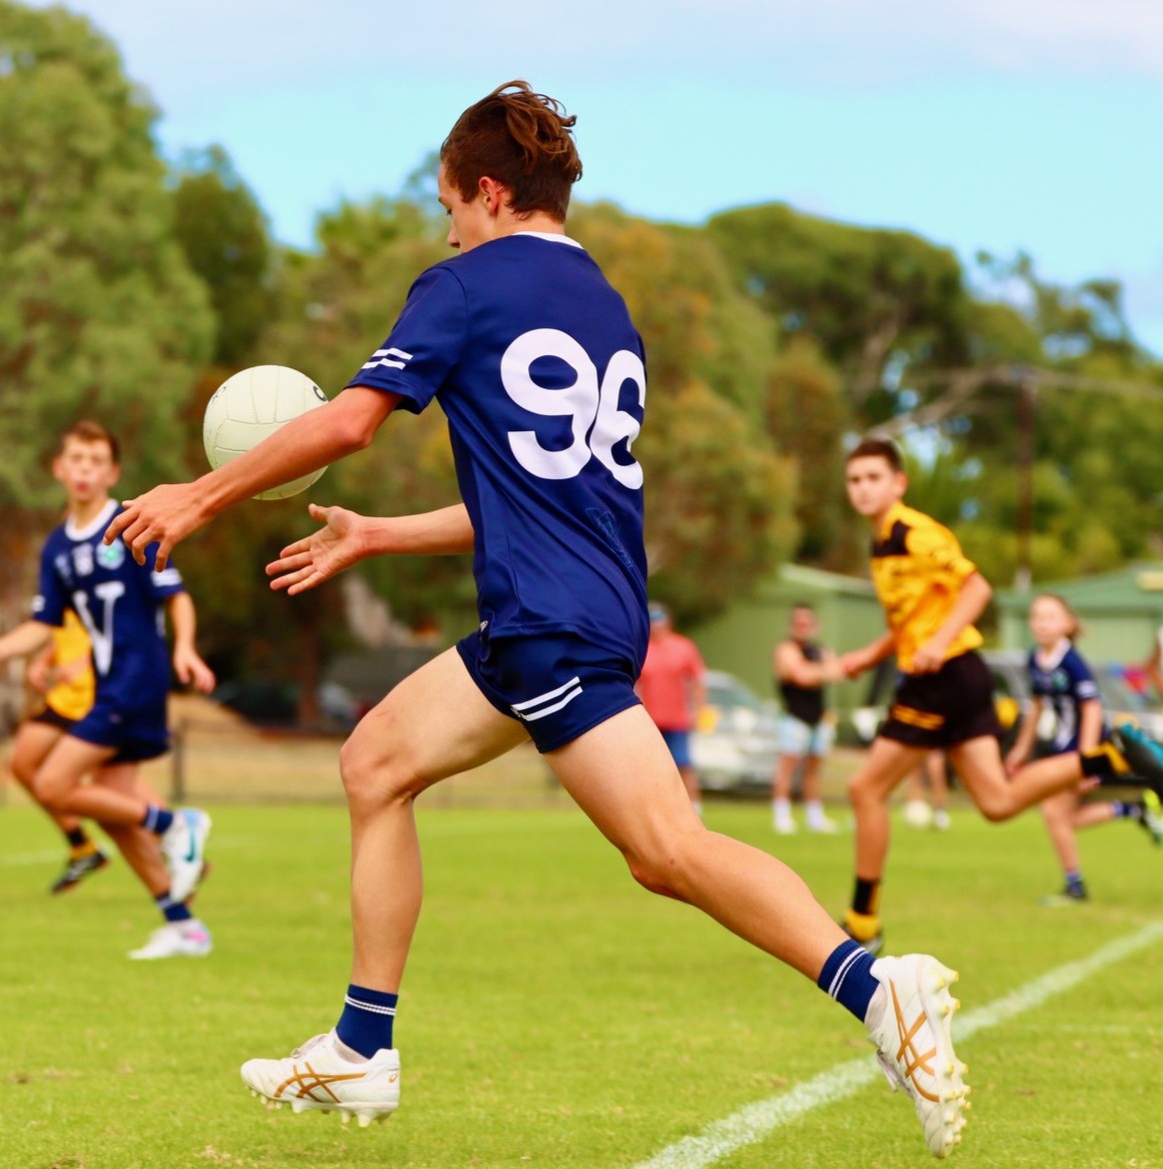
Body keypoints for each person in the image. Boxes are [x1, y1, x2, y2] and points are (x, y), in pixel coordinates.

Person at [103, 83, 970, 1155]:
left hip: (546, 622)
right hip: (573, 608)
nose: (446, 228)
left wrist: (198, 495)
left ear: (484, 190)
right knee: (374, 762)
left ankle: (875, 988)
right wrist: (375, 535)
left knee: (664, 848)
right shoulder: (608, 309)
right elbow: (524, 498)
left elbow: (348, 420)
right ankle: (359, 1046)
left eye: (447, 206)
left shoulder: (462, 285)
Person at [833, 438, 1163, 954]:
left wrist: (938, 646)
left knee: (864, 790)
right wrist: (869, 657)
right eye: (854, 480)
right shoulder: (879, 544)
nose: (862, 488)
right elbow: (910, 622)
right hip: (953, 676)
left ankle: (863, 922)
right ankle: (1111, 755)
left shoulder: (916, 533)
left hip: (944, 677)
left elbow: (978, 590)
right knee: (997, 802)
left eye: (873, 477)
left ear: (899, 483)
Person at [0, 421, 216, 960]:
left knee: (54, 784)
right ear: (60, 468)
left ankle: (178, 824)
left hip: (136, 679)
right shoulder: (57, 547)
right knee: (112, 808)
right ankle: (183, 926)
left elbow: (176, 594)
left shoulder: (131, 523)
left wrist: (185, 649)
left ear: (113, 472)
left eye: (95, 461)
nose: (84, 469)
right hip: (111, 684)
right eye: (75, 459)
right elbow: (46, 624)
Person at [12, 601, 191, 895]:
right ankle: (86, 845)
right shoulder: (60, 561)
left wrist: (81, 662)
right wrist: (46, 660)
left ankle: (175, 836)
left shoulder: (101, 562)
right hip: (66, 694)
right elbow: (63, 625)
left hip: (94, 690)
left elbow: (113, 624)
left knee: (106, 784)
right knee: (28, 766)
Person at [1005, 594, 1162, 904]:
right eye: (1037, 617)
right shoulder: (1034, 660)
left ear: (1068, 623)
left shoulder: (1072, 661)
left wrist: (1087, 759)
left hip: (1083, 748)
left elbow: (1092, 708)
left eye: (1051, 617)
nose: (1043, 623)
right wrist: (1021, 748)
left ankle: (1075, 886)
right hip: (1062, 748)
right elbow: (1036, 706)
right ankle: (1131, 810)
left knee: (1054, 813)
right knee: (1064, 818)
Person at [770, 602, 841, 835]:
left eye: (807, 622)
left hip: (818, 719)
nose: (803, 626)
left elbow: (836, 672)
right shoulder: (785, 648)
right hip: (794, 718)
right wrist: (823, 670)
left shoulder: (820, 649)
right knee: (787, 768)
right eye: (798, 622)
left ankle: (814, 816)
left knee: (814, 770)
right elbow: (799, 676)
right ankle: (781, 815)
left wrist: (817, 671)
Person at [636, 602, 707, 817]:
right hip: (651, 719)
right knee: (651, 768)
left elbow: (697, 681)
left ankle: (695, 808)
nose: (656, 625)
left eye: (660, 619)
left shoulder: (683, 647)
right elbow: (635, 683)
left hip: (678, 719)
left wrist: (700, 711)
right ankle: (655, 811)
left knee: (683, 764)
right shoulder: (642, 648)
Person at [902, 752, 951, 831]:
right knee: (915, 772)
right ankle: (914, 808)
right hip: (915, 744)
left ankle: (940, 812)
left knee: (936, 769)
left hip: (935, 744)